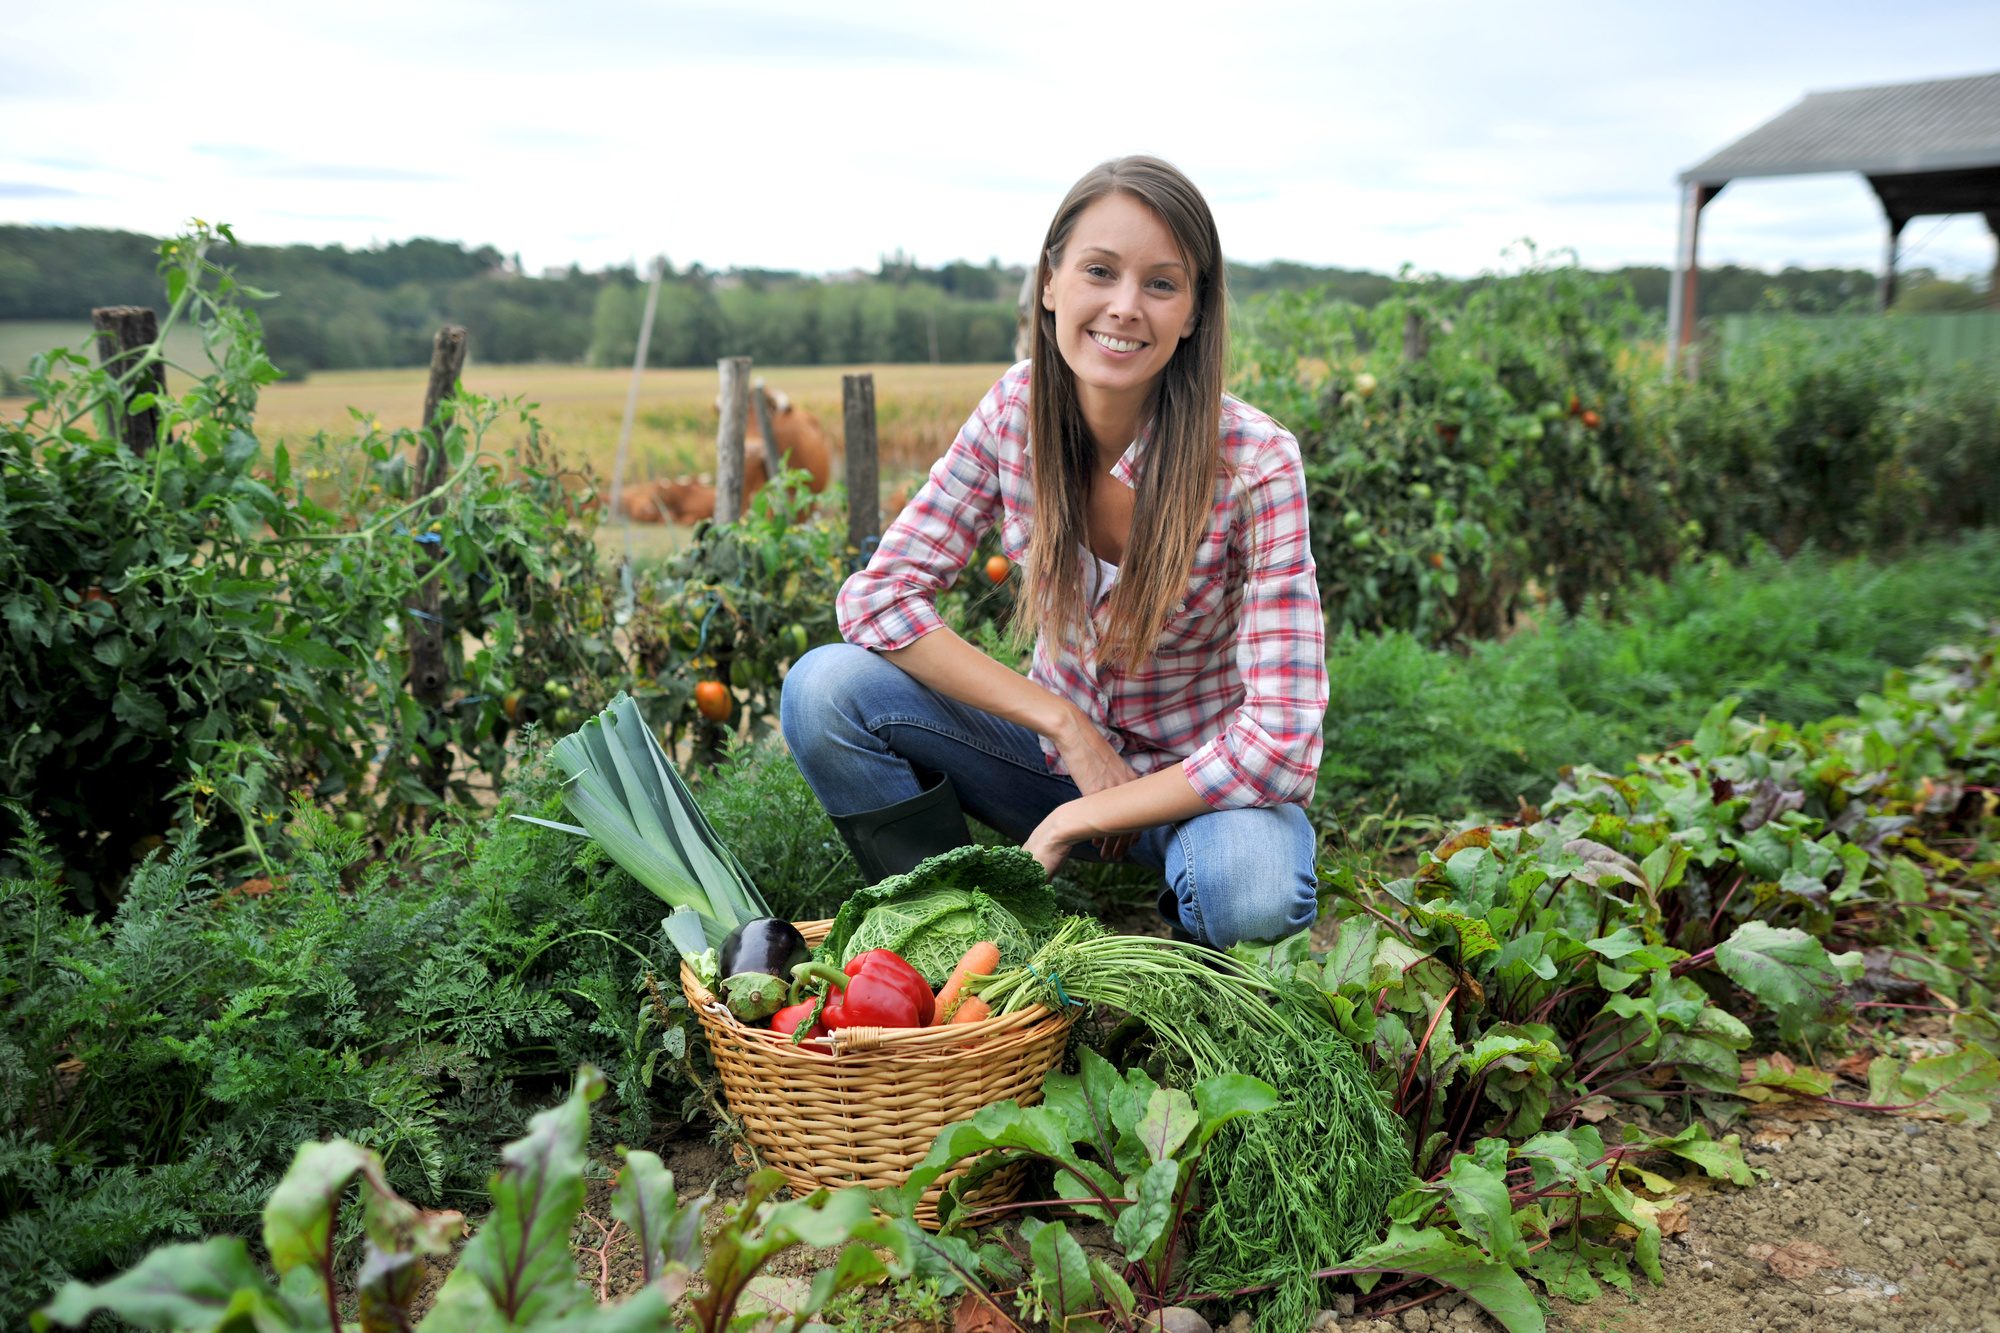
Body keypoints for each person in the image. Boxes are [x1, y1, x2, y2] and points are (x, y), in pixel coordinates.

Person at [780, 155, 1326, 948]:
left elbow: (1281, 740)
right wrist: (1065, 724)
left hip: (1201, 792)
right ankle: (971, 932)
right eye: (1099, 271)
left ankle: (1182, 963)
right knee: (824, 689)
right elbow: (878, 598)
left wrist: (1086, 811)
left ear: (1195, 311)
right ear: (1049, 282)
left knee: (1247, 888)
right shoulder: (1015, 412)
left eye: (1162, 284)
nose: (1125, 307)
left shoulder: (1255, 463)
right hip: (1041, 762)